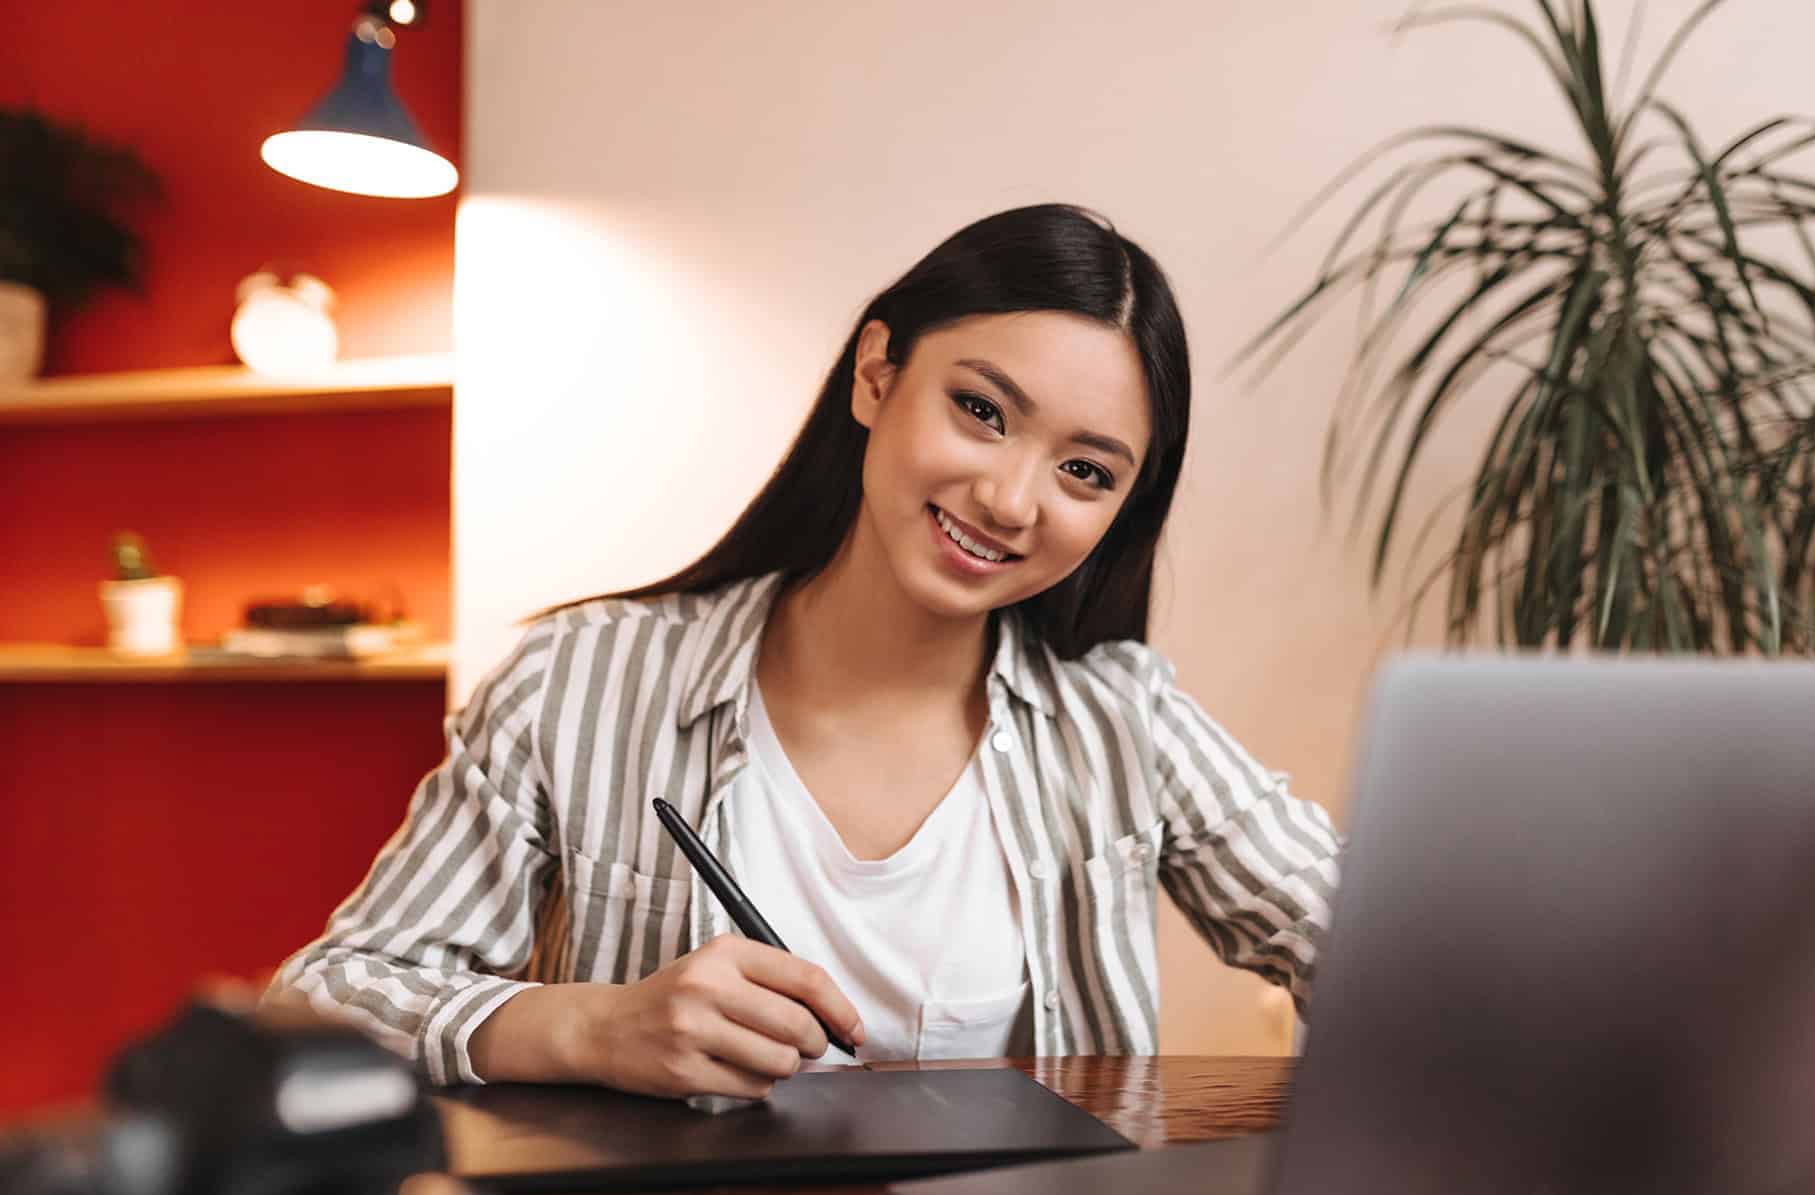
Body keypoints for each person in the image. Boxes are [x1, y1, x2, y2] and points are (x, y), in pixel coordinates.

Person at [265, 203, 1341, 1101]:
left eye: (1086, 472)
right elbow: (325, 996)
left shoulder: (1123, 721)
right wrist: (589, 1027)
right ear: (876, 374)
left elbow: (1385, 946)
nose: (1011, 499)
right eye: (980, 410)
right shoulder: (581, 682)